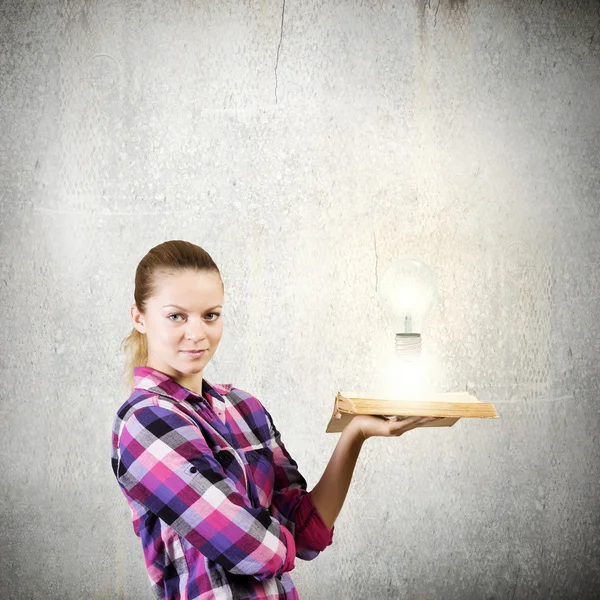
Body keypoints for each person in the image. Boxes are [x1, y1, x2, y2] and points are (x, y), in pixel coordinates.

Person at [111, 239, 441, 600]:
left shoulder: (244, 408)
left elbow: (308, 533)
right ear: (139, 318)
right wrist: (278, 535)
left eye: (210, 315)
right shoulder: (145, 423)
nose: (197, 333)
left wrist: (356, 432)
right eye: (176, 316)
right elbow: (248, 547)